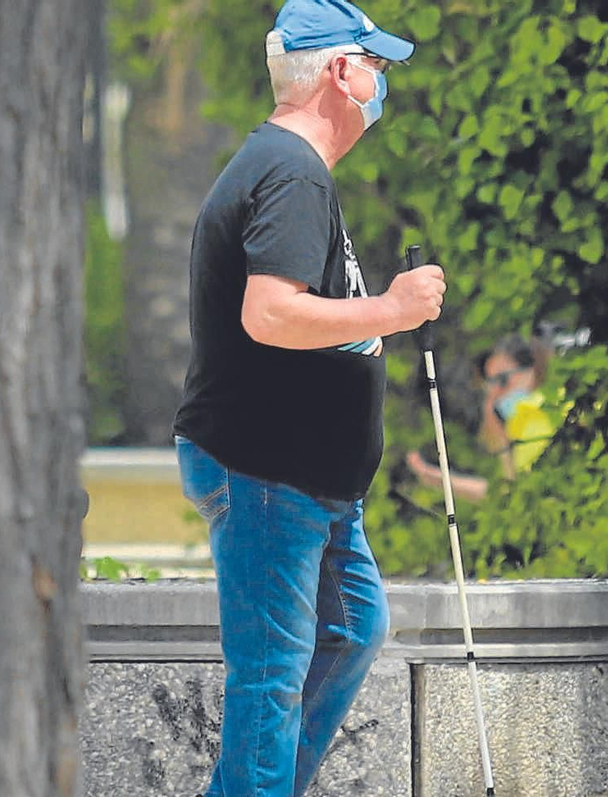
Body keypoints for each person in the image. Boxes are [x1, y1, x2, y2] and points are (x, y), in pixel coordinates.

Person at [170, 1, 441, 794]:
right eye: (376, 66)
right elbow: (271, 312)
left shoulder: (293, 171)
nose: (380, 83)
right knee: (271, 676)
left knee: (354, 629)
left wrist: (368, 327)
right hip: (267, 472)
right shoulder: (289, 171)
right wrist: (391, 309)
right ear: (339, 71)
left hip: (308, 480)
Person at [404, 335, 558, 500]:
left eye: (502, 380)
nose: (495, 394)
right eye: (490, 384)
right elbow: (508, 494)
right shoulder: (515, 426)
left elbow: (513, 496)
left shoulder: (537, 419)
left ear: (532, 369)